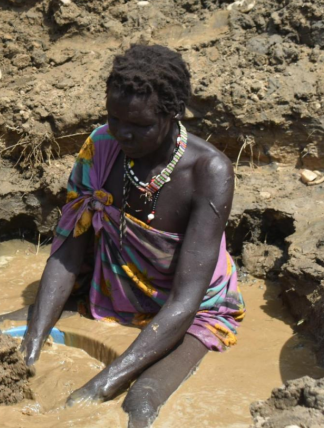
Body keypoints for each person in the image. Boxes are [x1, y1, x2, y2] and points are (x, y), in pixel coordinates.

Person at [19, 45, 246, 427]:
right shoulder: (102, 146)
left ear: (172, 115)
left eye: (139, 126)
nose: (123, 133)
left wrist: (98, 386)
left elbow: (186, 300)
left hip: (190, 311)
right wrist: (33, 343)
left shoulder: (209, 172)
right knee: (8, 334)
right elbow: (68, 253)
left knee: (140, 400)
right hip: (111, 288)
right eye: (114, 118)